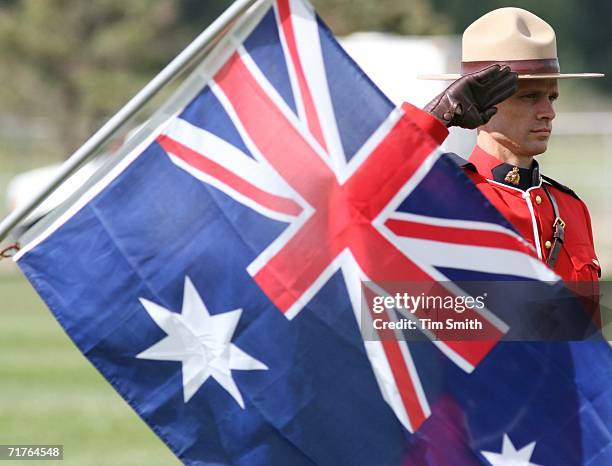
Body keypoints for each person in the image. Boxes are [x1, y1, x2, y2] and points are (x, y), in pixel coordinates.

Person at [417, 7, 603, 291]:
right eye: (530, 97)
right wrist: (436, 118)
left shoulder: (571, 209)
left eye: (552, 97)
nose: (548, 112)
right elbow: (361, 193)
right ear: (481, 100)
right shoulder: (442, 195)